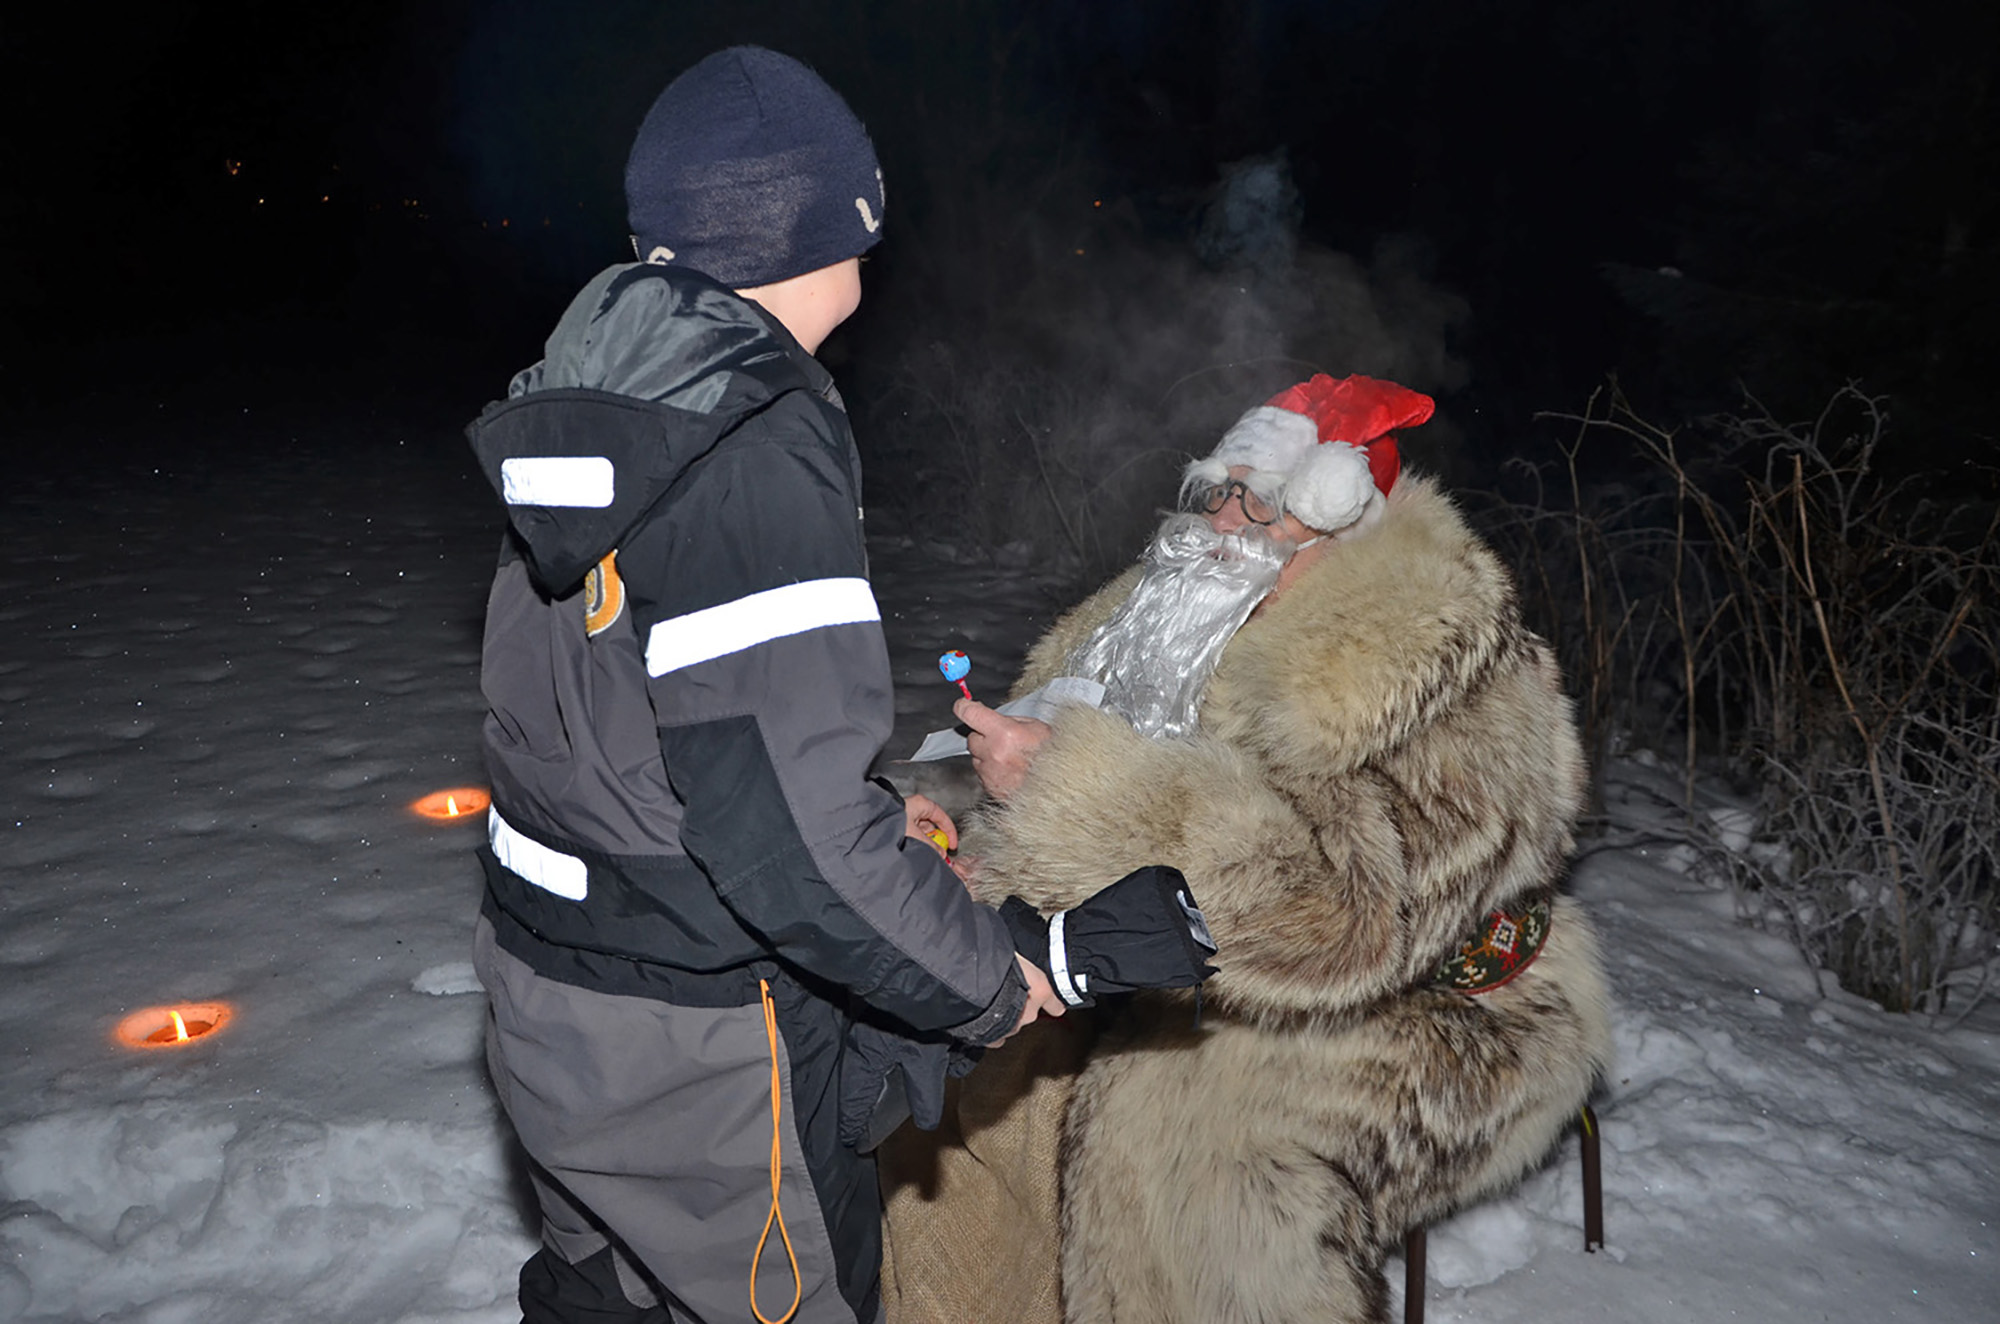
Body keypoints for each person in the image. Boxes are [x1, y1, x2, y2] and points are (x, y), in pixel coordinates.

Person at [464, 47, 1064, 1324]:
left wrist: (861, 807)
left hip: (554, 999)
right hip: (701, 1048)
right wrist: (991, 983)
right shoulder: (752, 435)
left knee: (603, 1296)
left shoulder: (601, 391)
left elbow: (628, 728)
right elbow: (793, 851)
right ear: (828, 226)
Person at [879, 374, 1614, 1324]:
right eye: (1217, 491)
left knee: (1180, 1157)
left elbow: (1338, 920)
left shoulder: (1426, 657)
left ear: (1338, 519)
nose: (1225, 520)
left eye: (1262, 501)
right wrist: (956, 826)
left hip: (1431, 1006)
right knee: (950, 1064)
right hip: (1165, 960)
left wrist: (1073, 795)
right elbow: (1033, 751)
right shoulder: (1159, 611)